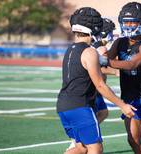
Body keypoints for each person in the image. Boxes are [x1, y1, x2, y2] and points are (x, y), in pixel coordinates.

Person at [56, 7, 135, 154]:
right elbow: (99, 84)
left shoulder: (70, 49)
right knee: (95, 148)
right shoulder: (89, 51)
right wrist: (122, 105)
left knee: (81, 148)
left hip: (63, 106)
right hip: (80, 106)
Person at [105, 2, 141, 153]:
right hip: (129, 93)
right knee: (132, 139)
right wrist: (98, 46)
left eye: (133, 22)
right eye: (126, 22)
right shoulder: (119, 42)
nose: (129, 25)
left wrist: (104, 60)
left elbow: (132, 64)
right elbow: (105, 60)